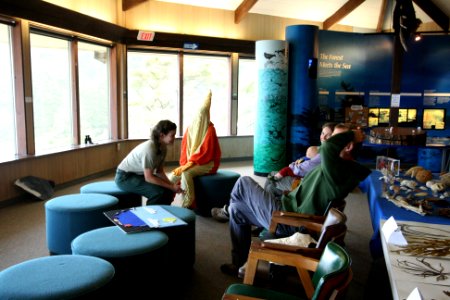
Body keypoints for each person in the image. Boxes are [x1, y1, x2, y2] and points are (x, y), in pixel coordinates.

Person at [220, 126, 371, 277]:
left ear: (348, 146)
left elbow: (327, 148)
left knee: (243, 182)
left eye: (335, 138)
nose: (327, 140)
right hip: (287, 210)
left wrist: (352, 134)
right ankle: (239, 263)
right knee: (237, 210)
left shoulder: (340, 171)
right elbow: (321, 152)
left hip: (289, 221)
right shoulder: (337, 167)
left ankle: (224, 212)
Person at [211, 122, 340, 222]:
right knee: (270, 182)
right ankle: (241, 210)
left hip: (298, 188)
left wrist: (290, 168)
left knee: (250, 181)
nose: (324, 137)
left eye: (329, 135)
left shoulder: (324, 155)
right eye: (323, 133)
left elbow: (302, 169)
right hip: (299, 191)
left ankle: (247, 211)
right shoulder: (328, 157)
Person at [169, 90, 221, 208]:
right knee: (173, 175)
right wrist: (186, 163)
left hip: (207, 163)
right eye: (199, 116)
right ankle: (165, 199)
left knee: (186, 173)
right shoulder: (190, 128)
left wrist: (190, 163)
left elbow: (206, 152)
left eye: (203, 116)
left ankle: (188, 203)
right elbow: (184, 149)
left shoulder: (210, 130)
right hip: (192, 162)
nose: (200, 119)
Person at [115, 120, 184, 205]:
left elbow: (159, 171)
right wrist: (171, 186)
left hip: (139, 175)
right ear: (162, 135)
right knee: (158, 193)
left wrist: (172, 186)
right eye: (172, 135)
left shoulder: (163, 148)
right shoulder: (150, 149)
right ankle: (150, 217)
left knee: (168, 191)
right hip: (124, 177)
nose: (174, 138)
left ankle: (163, 215)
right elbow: (149, 177)